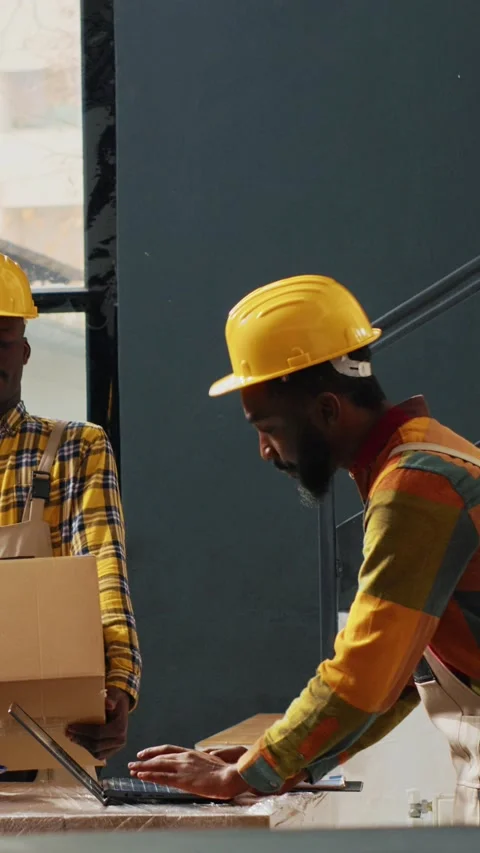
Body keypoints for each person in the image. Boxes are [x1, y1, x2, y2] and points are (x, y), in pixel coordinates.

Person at [129, 274, 480, 825]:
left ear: (327, 409)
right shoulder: (429, 456)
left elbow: (367, 670)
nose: (266, 451)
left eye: (268, 427)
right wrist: (271, 759)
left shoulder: (417, 482)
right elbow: (402, 677)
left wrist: (247, 774)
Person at [0, 254, 141, 779]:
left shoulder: (74, 449)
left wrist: (118, 681)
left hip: (45, 745)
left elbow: (102, 565)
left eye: (2, 340)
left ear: (25, 350)